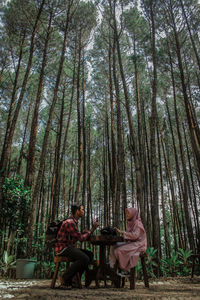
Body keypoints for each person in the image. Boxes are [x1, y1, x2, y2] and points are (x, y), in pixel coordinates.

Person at [55, 203, 99, 288]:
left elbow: (76, 236)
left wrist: (84, 232)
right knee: (84, 258)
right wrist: (92, 229)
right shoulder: (70, 222)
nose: (83, 211)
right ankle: (65, 278)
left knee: (90, 254)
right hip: (63, 248)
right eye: (82, 210)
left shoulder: (73, 222)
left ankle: (74, 280)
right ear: (77, 211)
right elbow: (81, 239)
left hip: (68, 247)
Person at [109, 207, 147, 275]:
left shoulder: (138, 223)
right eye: (126, 214)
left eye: (128, 214)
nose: (126, 215)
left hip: (139, 244)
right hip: (132, 243)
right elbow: (129, 235)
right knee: (114, 246)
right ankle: (112, 266)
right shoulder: (130, 223)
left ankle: (126, 270)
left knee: (119, 250)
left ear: (133, 214)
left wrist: (122, 232)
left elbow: (135, 235)